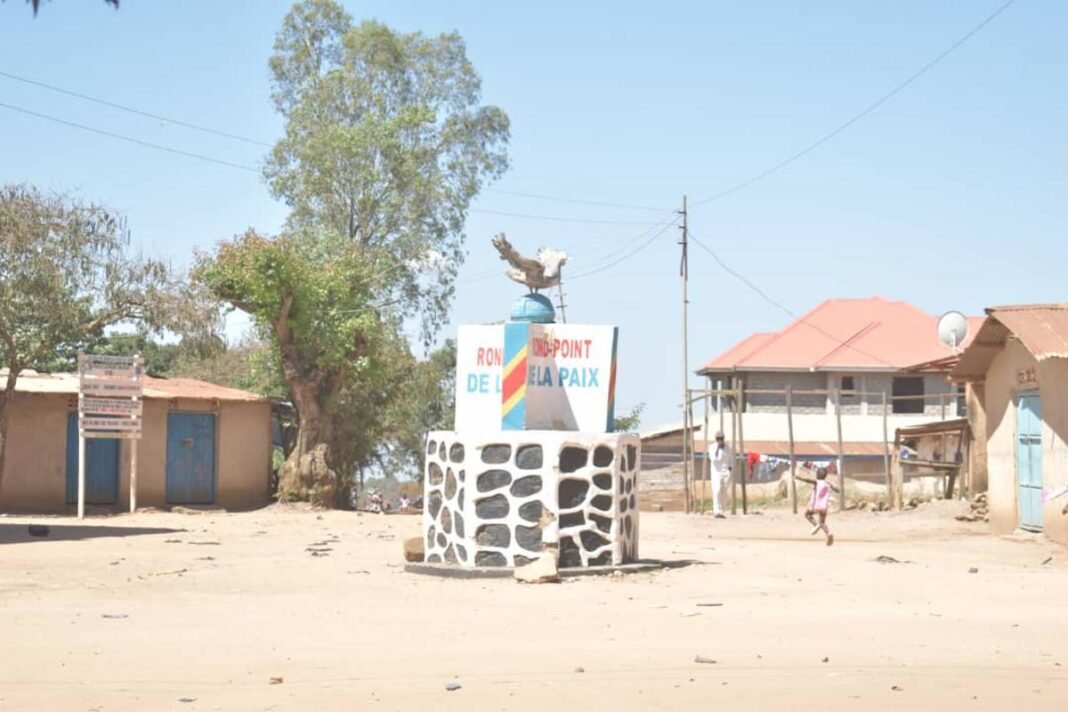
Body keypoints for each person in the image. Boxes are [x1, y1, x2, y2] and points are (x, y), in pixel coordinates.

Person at [797, 467, 837, 546]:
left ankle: (815, 525)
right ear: (825, 476)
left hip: (815, 505)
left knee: (807, 514)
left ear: (817, 474)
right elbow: (837, 490)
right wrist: (835, 488)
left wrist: (799, 478)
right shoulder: (827, 483)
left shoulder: (816, 482)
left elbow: (807, 480)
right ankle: (828, 533)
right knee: (822, 522)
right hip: (824, 506)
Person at [710, 431, 732, 519]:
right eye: (718, 439)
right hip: (716, 472)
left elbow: (730, 459)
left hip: (726, 471)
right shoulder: (712, 447)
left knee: (724, 491)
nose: (719, 440)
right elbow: (713, 459)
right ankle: (716, 511)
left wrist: (730, 469)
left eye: (721, 438)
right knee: (717, 490)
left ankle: (722, 510)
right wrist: (718, 449)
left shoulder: (728, 447)